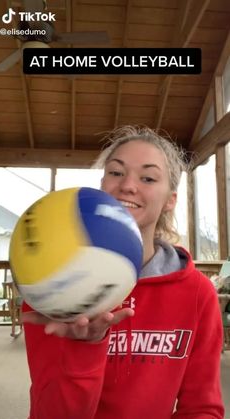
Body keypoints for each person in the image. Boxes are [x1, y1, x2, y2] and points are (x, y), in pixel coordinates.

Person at [22, 125, 224, 419]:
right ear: (102, 184)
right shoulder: (51, 284)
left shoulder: (197, 293)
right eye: (116, 172)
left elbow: (203, 408)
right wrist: (84, 348)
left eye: (148, 177)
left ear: (170, 199)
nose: (128, 185)